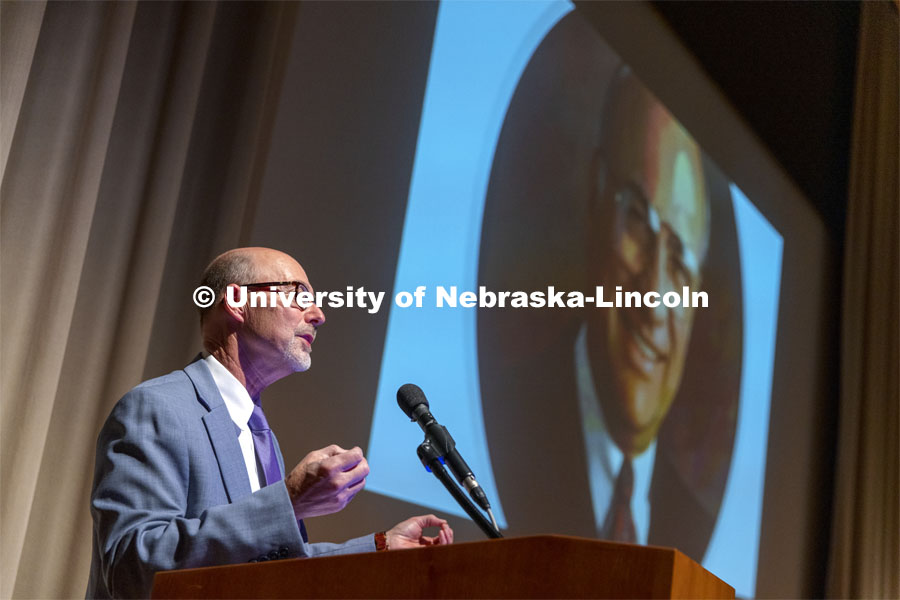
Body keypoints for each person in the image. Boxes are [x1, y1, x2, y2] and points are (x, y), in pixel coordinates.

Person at [86, 247, 453, 599]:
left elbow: (273, 569)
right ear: (237, 302)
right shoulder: (158, 407)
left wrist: (381, 547)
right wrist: (288, 502)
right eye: (298, 295)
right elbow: (129, 572)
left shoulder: (258, 432)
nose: (318, 314)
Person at [577, 66, 711, 544]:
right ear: (595, 196)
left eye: (678, 262)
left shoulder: (692, 528)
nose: (652, 298)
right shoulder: (500, 431)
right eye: (637, 219)